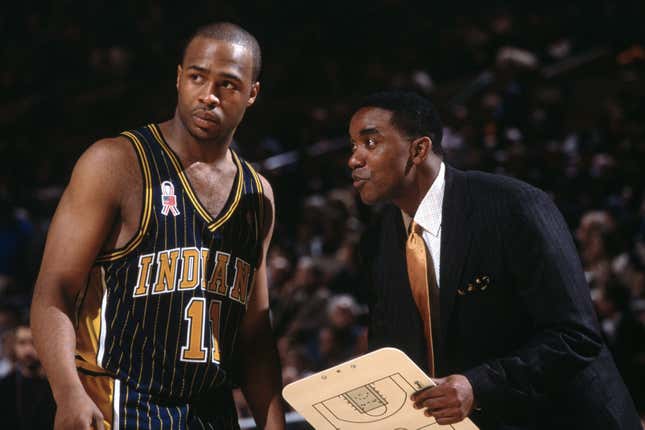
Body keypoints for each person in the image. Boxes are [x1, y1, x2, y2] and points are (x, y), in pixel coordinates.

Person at [31, 22, 286, 429]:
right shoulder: (115, 163)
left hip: (210, 410)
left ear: (252, 93)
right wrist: (68, 392)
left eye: (228, 85)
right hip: (119, 401)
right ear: (179, 77)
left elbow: (254, 334)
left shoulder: (258, 196)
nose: (209, 96)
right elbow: (54, 290)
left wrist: (274, 424)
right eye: (197, 77)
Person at [347, 91, 641, 429]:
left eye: (370, 143)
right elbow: (393, 354)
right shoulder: (375, 243)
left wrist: (478, 385)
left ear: (419, 149)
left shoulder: (513, 206)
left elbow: (575, 336)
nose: (354, 160)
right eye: (352, 146)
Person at [0, 324, 56, 429]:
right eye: (22, 343)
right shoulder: (4, 385)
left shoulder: (57, 386)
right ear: (14, 346)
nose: (28, 349)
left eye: (34, 343)